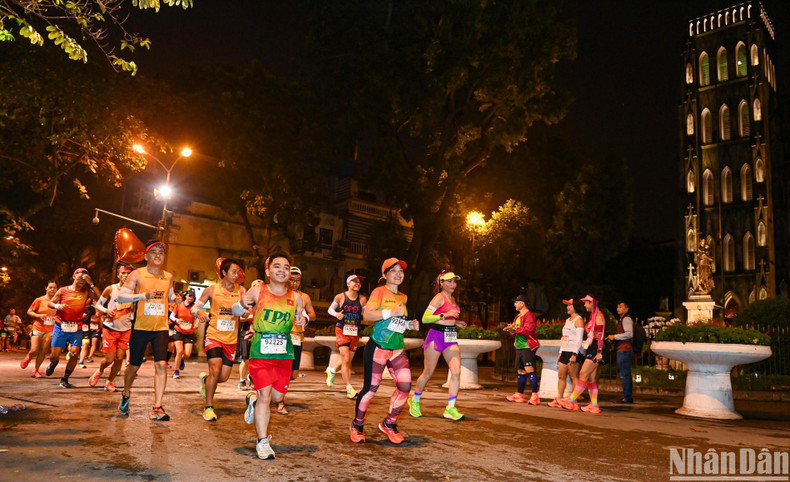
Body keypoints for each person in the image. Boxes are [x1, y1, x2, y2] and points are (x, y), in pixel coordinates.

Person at [234, 253, 306, 460]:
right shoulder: (257, 291)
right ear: (268, 271)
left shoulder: (297, 297)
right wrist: (241, 303)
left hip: (285, 352)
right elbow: (236, 311)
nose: (282, 270)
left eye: (286, 267)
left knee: (277, 398)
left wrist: (304, 321)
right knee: (266, 396)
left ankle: (252, 401)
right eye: (277, 266)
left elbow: (302, 316)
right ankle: (262, 441)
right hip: (261, 350)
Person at [350, 258, 418, 445]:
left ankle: (389, 423)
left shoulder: (403, 297)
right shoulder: (379, 292)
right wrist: (390, 313)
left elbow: (396, 323)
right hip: (378, 346)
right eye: (393, 270)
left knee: (405, 386)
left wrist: (408, 324)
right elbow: (368, 314)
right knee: (371, 389)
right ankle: (357, 425)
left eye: (401, 271)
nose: (398, 274)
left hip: (397, 347)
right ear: (384, 275)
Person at [117, 240, 175, 421]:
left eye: (161, 252)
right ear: (146, 256)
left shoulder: (168, 276)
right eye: (154, 252)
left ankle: (157, 407)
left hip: (161, 327)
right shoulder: (137, 274)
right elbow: (121, 296)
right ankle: (126, 394)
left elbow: (170, 295)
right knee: (134, 365)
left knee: (161, 364)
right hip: (140, 326)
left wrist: (176, 299)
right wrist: (142, 296)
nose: (158, 255)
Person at [408, 270, 467, 421]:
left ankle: (450, 408)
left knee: (456, 372)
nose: (452, 284)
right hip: (436, 336)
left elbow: (449, 318)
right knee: (428, 372)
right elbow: (426, 318)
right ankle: (414, 400)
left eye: (454, 281)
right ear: (441, 283)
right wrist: (445, 315)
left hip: (450, 336)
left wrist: (456, 322)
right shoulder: (438, 298)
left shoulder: (453, 299)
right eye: (449, 281)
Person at [195, 258, 246, 422]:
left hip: (231, 339)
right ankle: (208, 407)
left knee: (222, 377)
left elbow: (246, 312)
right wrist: (201, 313)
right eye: (233, 271)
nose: (236, 274)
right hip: (214, 335)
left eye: (238, 271)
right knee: (215, 370)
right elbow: (195, 307)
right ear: (224, 272)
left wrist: (244, 313)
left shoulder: (242, 291)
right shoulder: (211, 290)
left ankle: (205, 380)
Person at [45, 268, 101, 387]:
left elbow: (101, 297)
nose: (82, 280)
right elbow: (50, 303)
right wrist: (57, 305)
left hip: (77, 327)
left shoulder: (86, 291)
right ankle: (53, 363)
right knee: (54, 355)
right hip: (61, 326)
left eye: (85, 278)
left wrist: (92, 283)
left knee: (75, 353)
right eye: (80, 277)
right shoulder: (62, 290)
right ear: (74, 276)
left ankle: (65, 379)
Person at [275, 266, 315, 415]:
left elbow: (312, 313)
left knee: (293, 374)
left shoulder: (304, 297)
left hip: (297, 337)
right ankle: (280, 401)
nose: (294, 283)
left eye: (297, 280)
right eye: (292, 279)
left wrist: (307, 318)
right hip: (280, 335)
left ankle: (276, 391)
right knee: (282, 370)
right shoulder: (279, 294)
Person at [89, 264, 134, 392]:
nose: (125, 276)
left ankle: (109, 382)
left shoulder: (134, 291)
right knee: (109, 359)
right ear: (118, 275)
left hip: (126, 330)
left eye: (128, 274)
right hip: (111, 329)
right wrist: (106, 311)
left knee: (120, 358)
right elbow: (98, 305)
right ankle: (100, 370)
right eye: (123, 273)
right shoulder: (110, 289)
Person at [560, 294, 606, 413]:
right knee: (590, 378)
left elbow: (601, 336)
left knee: (583, 374)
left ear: (592, 303)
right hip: (592, 347)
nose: (584, 305)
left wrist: (599, 352)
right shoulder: (593, 316)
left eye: (586, 302)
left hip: (596, 349)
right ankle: (594, 405)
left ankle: (571, 400)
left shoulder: (599, 317)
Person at [326, 274, 367, 399]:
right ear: (348, 283)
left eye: (359, 282)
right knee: (346, 359)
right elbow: (330, 310)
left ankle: (332, 370)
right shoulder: (340, 297)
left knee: (347, 360)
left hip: (355, 331)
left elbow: (365, 314)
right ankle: (349, 388)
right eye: (354, 281)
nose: (357, 283)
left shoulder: (363, 299)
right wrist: (336, 315)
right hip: (342, 330)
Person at [548, 299, 584, 408]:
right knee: (561, 375)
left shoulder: (579, 320)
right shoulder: (568, 320)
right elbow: (564, 338)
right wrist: (560, 351)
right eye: (567, 305)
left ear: (575, 307)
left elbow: (579, 339)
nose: (567, 307)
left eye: (569, 305)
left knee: (574, 376)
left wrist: (574, 354)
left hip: (574, 352)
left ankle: (573, 401)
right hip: (564, 351)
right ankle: (559, 399)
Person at [504, 295, 540, 404]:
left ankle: (535, 396)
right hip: (519, 347)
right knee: (521, 371)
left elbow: (528, 330)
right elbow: (515, 333)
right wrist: (511, 330)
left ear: (522, 303)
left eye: (516, 302)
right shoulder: (518, 317)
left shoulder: (529, 316)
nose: (515, 304)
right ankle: (520, 394)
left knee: (529, 369)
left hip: (528, 346)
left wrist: (514, 328)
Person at [22, 281, 58, 377]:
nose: (52, 289)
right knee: (34, 349)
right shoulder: (39, 300)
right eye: (50, 287)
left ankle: (36, 370)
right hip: (38, 327)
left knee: (43, 350)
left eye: (54, 288)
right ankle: (29, 357)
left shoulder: (58, 302)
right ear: (45, 288)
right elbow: (29, 311)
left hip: (51, 329)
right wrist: (39, 315)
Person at [238, 279, 264, 391]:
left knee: (258, 359)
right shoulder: (246, 302)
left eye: (261, 287)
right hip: (247, 333)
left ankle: (253, 377)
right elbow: (239, 318)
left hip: (260, 334)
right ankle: (242, 380)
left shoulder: (266, 303)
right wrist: (251, 317)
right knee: (246, 359)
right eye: (256, 286)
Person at [607, 301, 634, 404]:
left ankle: (627, 397)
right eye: (617, 307)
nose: (618, 309)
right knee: (625, 373)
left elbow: (629, 334)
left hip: (624, 349)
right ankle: (627, 396)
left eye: (621, 307)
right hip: (623, 349)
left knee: (624, 374)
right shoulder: (622, 319)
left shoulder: (626, 319)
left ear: (626, 309)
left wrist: (615, 336)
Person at [171, 290, 197, 379]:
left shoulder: (194, 307)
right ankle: (176, 371)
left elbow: (197, 317)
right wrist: (177, 320)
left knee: (187, 354)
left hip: (189, 332)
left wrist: (196, 324)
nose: (191, 298)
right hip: (178, 330)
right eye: (190, 295)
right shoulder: (179, 305)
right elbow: (171, 316)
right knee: (179, 351)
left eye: (193, 296)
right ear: (186, 296)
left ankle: (181, 359)